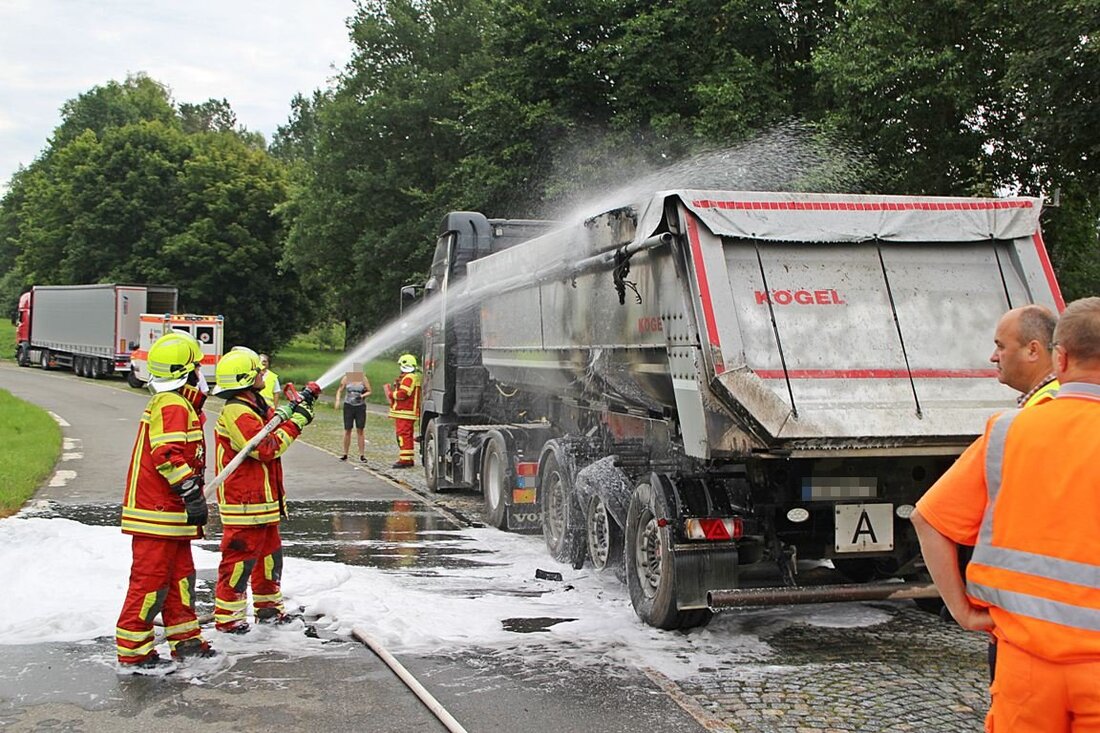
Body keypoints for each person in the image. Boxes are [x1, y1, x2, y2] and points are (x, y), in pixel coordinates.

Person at [912, 296, 1100, 733]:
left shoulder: (1007, 432)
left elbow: (929, 519)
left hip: (1024, 667)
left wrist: (961, 610)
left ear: (1061, 356)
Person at [115, 332, 216, 671]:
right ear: (188, 372)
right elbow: (167, 455)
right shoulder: (172, 404)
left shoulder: (178, 403)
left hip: (169, 516)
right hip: (157, 514)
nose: (201, 374)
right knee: (150, 584)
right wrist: (190, 492)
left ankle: (186, 641)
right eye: (198, 368)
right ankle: (134, 653)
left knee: (180, 581)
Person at [210, 346, 314, 633]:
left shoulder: (253, 402)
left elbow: (272, 422)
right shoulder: (237, 410)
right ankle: (229, 621)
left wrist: (298, 405)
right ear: (245, 378)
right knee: (239, 562)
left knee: (270, 560)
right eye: (258, 370)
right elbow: (265, 448)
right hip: (245, 504)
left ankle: (269, 611)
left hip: (263, 502)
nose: (263, 373)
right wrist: (298, 423)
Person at [990, 304, 1059, 407]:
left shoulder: (1045, 406)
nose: (993, 358)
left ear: (1032, 351)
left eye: (1001, 347)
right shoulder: (1066, 394)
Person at [386, 353, 421, 469]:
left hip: (405, 412)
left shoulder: (409, 378)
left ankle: (405, 460)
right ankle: (408, 458)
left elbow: (403, 394)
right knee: (406, 435)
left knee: (403, 435)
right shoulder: (410, 377)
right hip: (404, 412)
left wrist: (391, 394)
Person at [333, 365, 372, 462]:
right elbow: (340, 389)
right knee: (347, 430)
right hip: (348, 406)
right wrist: (337, 400)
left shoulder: (363, 378)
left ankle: (362, 455)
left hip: (360, 406)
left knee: (360, 430)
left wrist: (362, 395)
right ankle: (345, 454)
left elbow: (369, 391)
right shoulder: (347, 378)